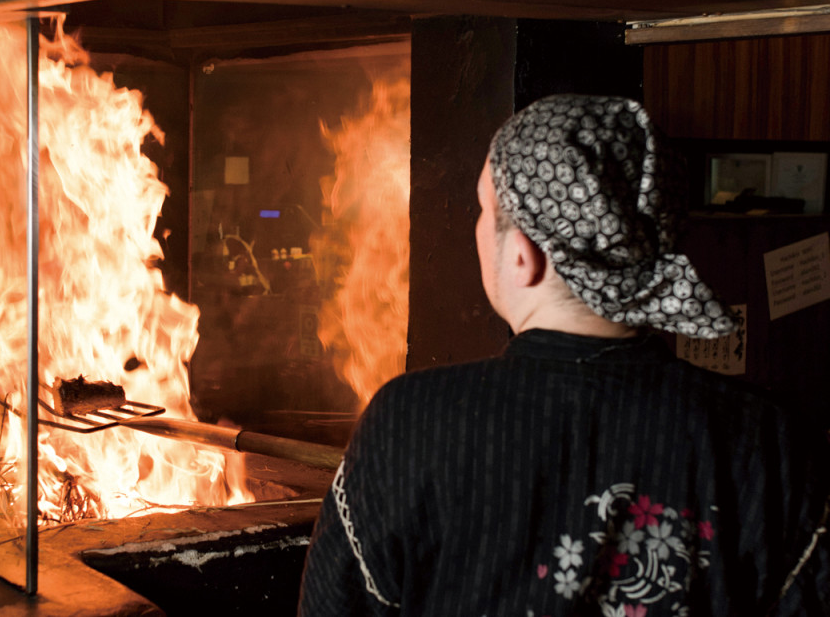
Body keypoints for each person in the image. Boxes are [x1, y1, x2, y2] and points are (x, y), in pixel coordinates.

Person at [298, 94, 830, 615]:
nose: (477, 227)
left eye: (484, 209)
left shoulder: (409, 420)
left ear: (525, 255)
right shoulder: (766, 437)